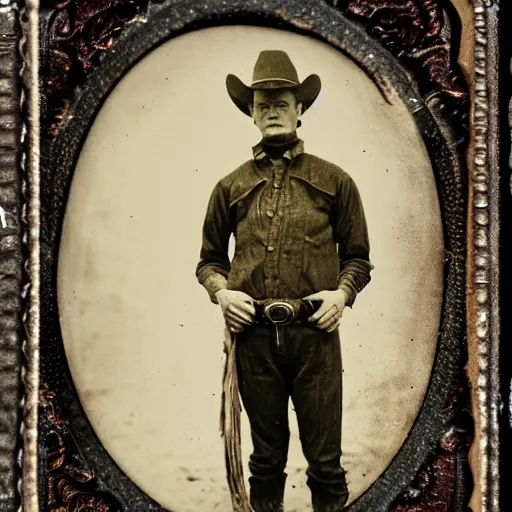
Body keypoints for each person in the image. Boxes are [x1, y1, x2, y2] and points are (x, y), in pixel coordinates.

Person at [196, 50, 373, 512]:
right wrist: (222, 293)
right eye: (262, 103)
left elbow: (358, 259)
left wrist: (342, 294)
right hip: (253, 341)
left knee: (326, 466)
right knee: (266, 462)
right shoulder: (229, 187)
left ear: (299, 108)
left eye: (281, 100)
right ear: (251, 114)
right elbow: (209, 262)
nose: (272, 109)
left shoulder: (335, 181)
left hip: (315, 337)